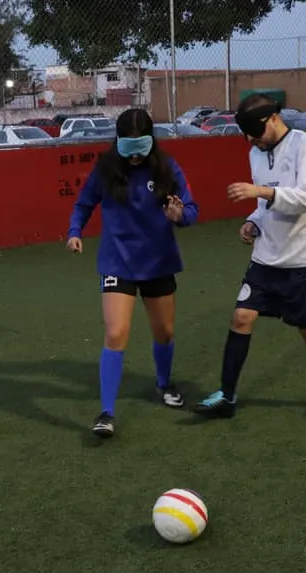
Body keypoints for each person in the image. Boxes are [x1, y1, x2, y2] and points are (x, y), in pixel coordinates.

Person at [193, 94, 306, 419]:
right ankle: (227, 396)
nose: (250, 141)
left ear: (272, 119)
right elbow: (264, 206)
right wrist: (252, 222)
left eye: (253, 133)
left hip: (304, 258)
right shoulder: (256, 153)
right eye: (245, 135)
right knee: (241, 317)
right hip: (266, 258)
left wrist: (261, 192)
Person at [66, 107, 199, 438]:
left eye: (142, 148)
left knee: (164, 332)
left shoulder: (168, 168)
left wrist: (178, 215)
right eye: (130, 148)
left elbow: (192, 211)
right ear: (119, 142)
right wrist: (75, 231)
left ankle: (164, 383)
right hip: (117, 261)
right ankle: (106, 413)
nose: (136, 157)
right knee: (115, 334)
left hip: (158, 262)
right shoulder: (106, 169)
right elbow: (83, 204)